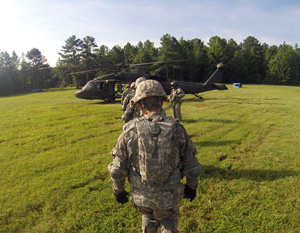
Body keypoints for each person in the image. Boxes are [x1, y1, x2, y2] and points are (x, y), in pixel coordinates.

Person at [108, 80, 201, 233]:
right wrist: (191, 187)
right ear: (162, 102)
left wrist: (118, 191)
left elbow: (117, 170)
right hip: (169, 195)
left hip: (141, 195)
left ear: (139, 105)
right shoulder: (177, 129)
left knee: (148, 217)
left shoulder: (128, 131)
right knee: (168, 221)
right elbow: (192, 167)